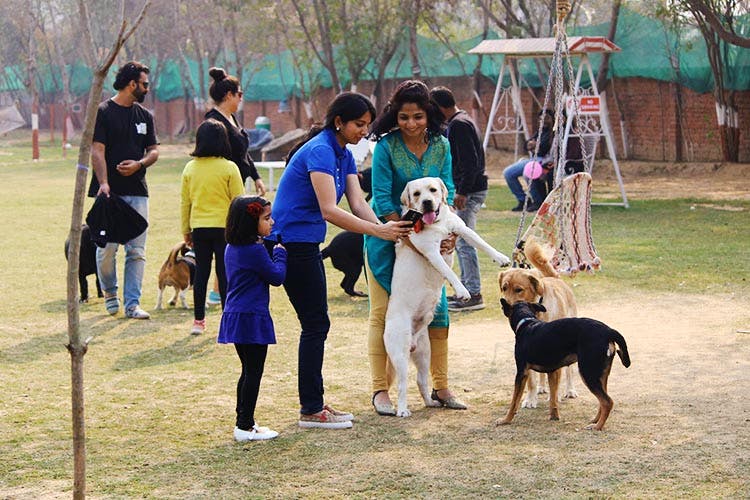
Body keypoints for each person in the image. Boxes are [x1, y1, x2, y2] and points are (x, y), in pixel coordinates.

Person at [268, 92, 411, 429]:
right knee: (315, 324)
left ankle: (315, 403)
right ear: (339, 123)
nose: (364, 131)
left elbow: (359, 204)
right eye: (359, 124)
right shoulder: (319, 150)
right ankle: (311, 409)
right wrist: (380, 233)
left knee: (317, 323)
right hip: (291, 243)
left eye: (367, 125)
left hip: (306, 242)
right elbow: (329, 210)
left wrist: (385, 227)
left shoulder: (342, 154)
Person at [366, 80, 467, 416]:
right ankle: (381, 391)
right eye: (405, 116)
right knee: (385, 315)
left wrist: (446, 232)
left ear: (429, 116)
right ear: (396, 115)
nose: (411, 123)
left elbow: (447, 189)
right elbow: (381, 196)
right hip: (390, 238)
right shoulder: (385, 147)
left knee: (437, 314)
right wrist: (406, 234)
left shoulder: (441, 145)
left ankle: (441, 387)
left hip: (436, 241)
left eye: (418, 117)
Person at [89, 60, 159, 320]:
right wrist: (104, 183)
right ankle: (110, 292)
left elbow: (153, 151)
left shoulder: (145, 116)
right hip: (110, 193)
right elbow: (97, 149)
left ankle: (132, 304)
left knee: (136, 251)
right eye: (145, 84)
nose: (147, 89)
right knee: (107, 247)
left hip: (138, 192)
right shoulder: (104, 111)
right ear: (132, 84)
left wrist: (140, 163)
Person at [218, 196, 286, 442]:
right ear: (251, 222)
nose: (272, 222)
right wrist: (280, 254)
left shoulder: (232, 247)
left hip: (235, 313)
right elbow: (276, 277)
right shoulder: (255, 251)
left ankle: (244, 421)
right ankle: (244, 426)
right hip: (252, 316)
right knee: (253, 372)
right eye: (266, 219)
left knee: (247, 371)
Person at [205, 67, 266, 307]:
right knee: (227, 236)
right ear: (229, 94)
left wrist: (256, 176)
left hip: (238, 184)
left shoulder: (232, 119)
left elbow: (243, 153)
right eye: (239, 94)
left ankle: (219, 289)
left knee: (235, 235)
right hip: (222, 188)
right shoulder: (213, 121)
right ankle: (217, 290)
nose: (241, 99)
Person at [180, 119, 245, 335]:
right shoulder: (229, 168)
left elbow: (185, 202)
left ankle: (198, 321)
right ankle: (227, 319)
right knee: (225, 274)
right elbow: (239, 202)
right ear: (223, 141)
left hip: (199, 228)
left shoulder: (190, 168)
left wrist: (186, 230)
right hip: (225, 229)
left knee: (201, 275)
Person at [430, 86, 489, 312]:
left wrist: (462, 192)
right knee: (461, 240)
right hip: (469, 188)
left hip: (470, 190)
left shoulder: (459, 125)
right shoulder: (462, 120)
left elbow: (470, 162)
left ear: (438, 107)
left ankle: (473, 293)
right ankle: (467, 290)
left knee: (464, 241)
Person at [503, 109, 554, 212]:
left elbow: (545, 149)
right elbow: (527, 145)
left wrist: (536, 145)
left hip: (545, 160)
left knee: (529, 172)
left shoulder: (553, 133)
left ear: (552, 119)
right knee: (508, 173)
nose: (543, 121)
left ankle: (538, 201)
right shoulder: (540, 131)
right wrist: (530, 144)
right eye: (540, 119)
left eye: (546, 118)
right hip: (533, 159)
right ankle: (523, 200)